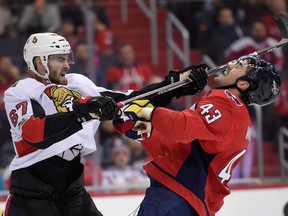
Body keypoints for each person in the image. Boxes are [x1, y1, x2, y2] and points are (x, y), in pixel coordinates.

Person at [2, 32, 208, 216]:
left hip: (73, 193)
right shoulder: (20, 91)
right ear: (39, 62)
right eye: (59, 59)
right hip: (31, 198)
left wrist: (174, 86)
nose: (67, 64)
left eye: (67, 58)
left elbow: (130, 100)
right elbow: (35, 133)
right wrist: (81, 114)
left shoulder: (78, 84)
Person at [115, 56, 281, 215]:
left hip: (176, 196)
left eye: (238, 66)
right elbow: (182, 149)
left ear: (243, 84)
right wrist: (145, 132)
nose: (229, 65)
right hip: (187, 200)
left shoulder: (228, 103)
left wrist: (147, 112)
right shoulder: (237, 116)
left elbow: (181, 127)